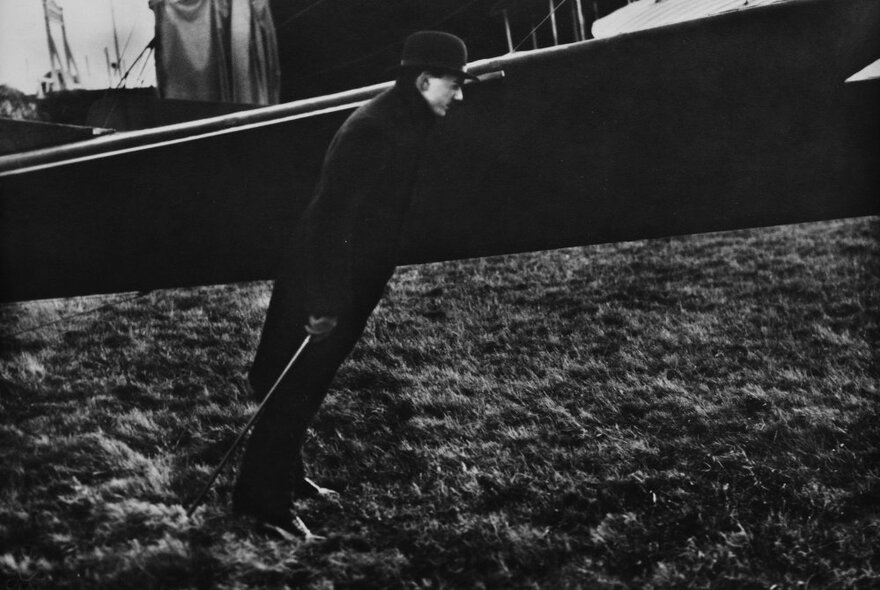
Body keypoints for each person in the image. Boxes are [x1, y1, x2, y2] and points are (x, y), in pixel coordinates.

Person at [232, 31, 477, 535]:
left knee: (306, 388)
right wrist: (324, 300)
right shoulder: (375, 128)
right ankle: (261, 506)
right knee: (292, 390)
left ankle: (288, 477)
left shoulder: (401, 119)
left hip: (342, 282)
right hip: (322, 283)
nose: (460, 95)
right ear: (425, 80)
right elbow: (330, 219)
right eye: (454, 84)